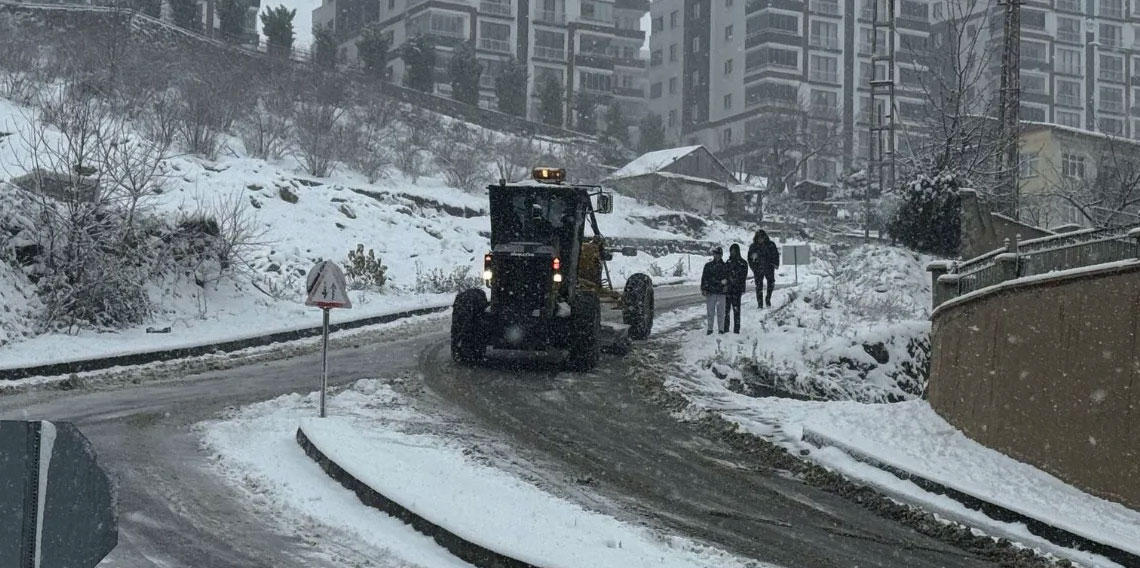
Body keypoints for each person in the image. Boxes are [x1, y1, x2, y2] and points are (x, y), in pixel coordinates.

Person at [747, 230, 780, 308]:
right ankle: (760, 303)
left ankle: (768, 299)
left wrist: (774, 264)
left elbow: (775, 255)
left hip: (769, 267)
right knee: (758, 286)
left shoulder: (770, 245)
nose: (760, 239)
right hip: (758, 268)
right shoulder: (753, 246)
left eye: (761, 237)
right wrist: (753, 268)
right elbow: (750, 258)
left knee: (771, 284)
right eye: (758, 238)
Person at [700, 246, 728, 335]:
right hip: (711, 291)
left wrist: (726, 285)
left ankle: (721, 329)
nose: (716, 256)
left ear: (721, 255)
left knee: (721, 312)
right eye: (715, 254)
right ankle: (710, 328)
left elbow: (728, 278)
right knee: (710, 312)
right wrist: (704, 288)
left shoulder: (725, 266)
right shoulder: (708, 266)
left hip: (721, 292)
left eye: (718, 254)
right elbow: (704, 278)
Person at [724, 244, 749, 333]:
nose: (733, 252)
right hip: (728, 290)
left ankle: (736, 330)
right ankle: (726, 329)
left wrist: (735, 280)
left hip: (737, 290)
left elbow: (743, 276)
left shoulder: (742, 263)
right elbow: (725, 273)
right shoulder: (728, 262)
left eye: (734, 251)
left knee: (736, 310)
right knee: (726, 311)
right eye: (731, 251)